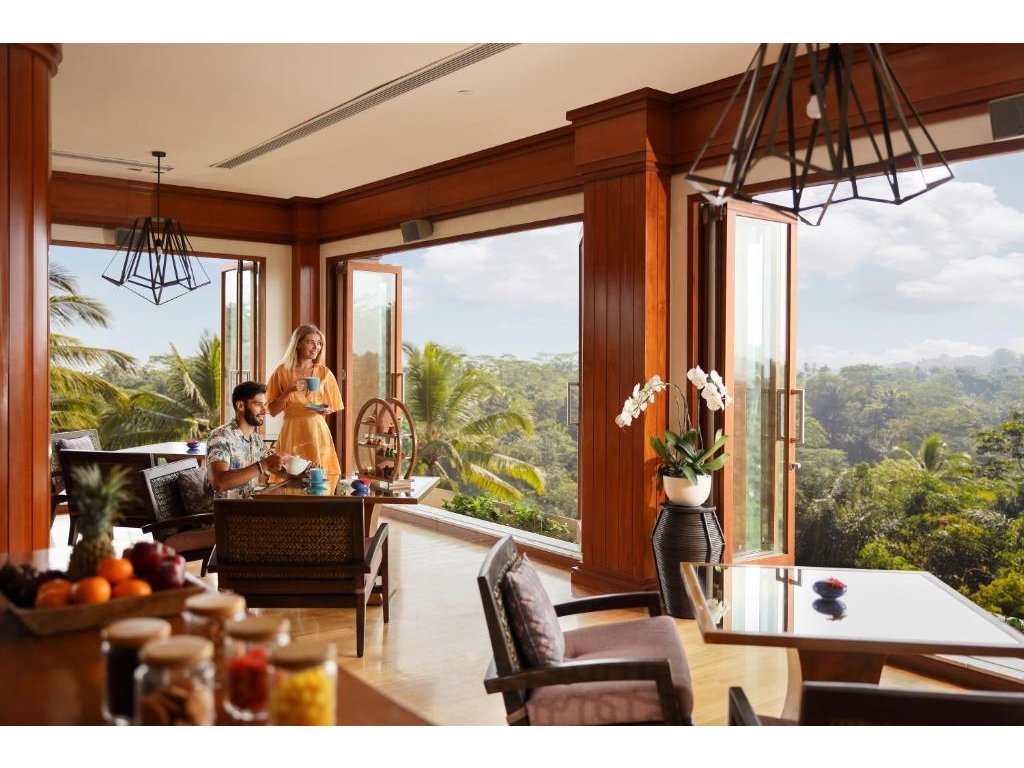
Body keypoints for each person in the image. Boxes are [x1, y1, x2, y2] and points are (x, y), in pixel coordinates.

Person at [266, 323, 343, 478]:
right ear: (298, 344)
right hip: (292, 432)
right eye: (310, 342)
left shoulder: (325, 374)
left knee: (319, 479)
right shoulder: (281, 372)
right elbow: (273, 411)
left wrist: (324, 410)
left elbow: (331, 407)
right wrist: (288, 391)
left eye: (319, 343)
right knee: (290, 477)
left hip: (317, 433)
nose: (316, 347)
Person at [206, 381, 288, 498]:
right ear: (240, 406)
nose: (264, 411)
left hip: (247, 506)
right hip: (222, 509)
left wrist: (304, 471)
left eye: (265, 405)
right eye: (259, 405)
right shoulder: (220, 436)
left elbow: (276, 468)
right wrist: (264, 464)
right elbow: (219, 483)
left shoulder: (255, 439)